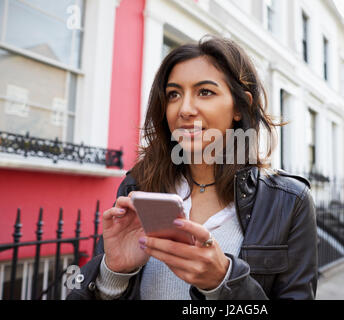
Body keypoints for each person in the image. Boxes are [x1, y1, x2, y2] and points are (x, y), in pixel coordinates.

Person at [67, 35, 317, 300]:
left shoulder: (290, 201)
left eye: (205, 92)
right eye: (174, 94)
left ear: (240, 107)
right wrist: (113, 275)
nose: (184, 109)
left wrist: (224, 282)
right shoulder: (137, 185)